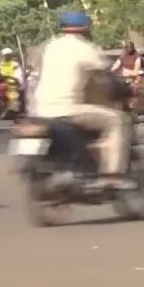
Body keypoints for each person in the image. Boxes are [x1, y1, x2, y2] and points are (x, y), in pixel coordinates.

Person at [34, 12, 132, 188]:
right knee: (117, 120)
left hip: (40, 109)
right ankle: (111, 176)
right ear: (85, 29)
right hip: (67, 109)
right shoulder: (86, 49)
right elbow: (106, 77)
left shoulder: (50, 46)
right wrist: (124, 91)